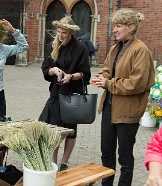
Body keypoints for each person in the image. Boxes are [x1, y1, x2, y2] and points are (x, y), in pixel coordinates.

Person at [90, 8, 155, 186]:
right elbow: (106, 68)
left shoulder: (140, 50)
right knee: (107, 154)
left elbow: (136, 83)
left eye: (119, 26)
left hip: (128, 112)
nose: (115, 30)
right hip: (110, 108)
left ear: (131, 27)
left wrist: (108, 83)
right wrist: (101, 77)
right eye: (115, 26)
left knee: (125, 158)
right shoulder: (115, 48)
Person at [38, 15, 91, 171]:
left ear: (71, 33)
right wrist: (53, 70)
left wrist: (71, 76)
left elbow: (85, 74)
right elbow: (45, 69)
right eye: (58, 32)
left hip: (72, 95)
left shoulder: (80, 47)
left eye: (64, 33)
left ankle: (64, 162)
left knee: (70, 131)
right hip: (56, 93)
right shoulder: (52, 46)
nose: (60, 36)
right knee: (54, 129)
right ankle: (54, 161)